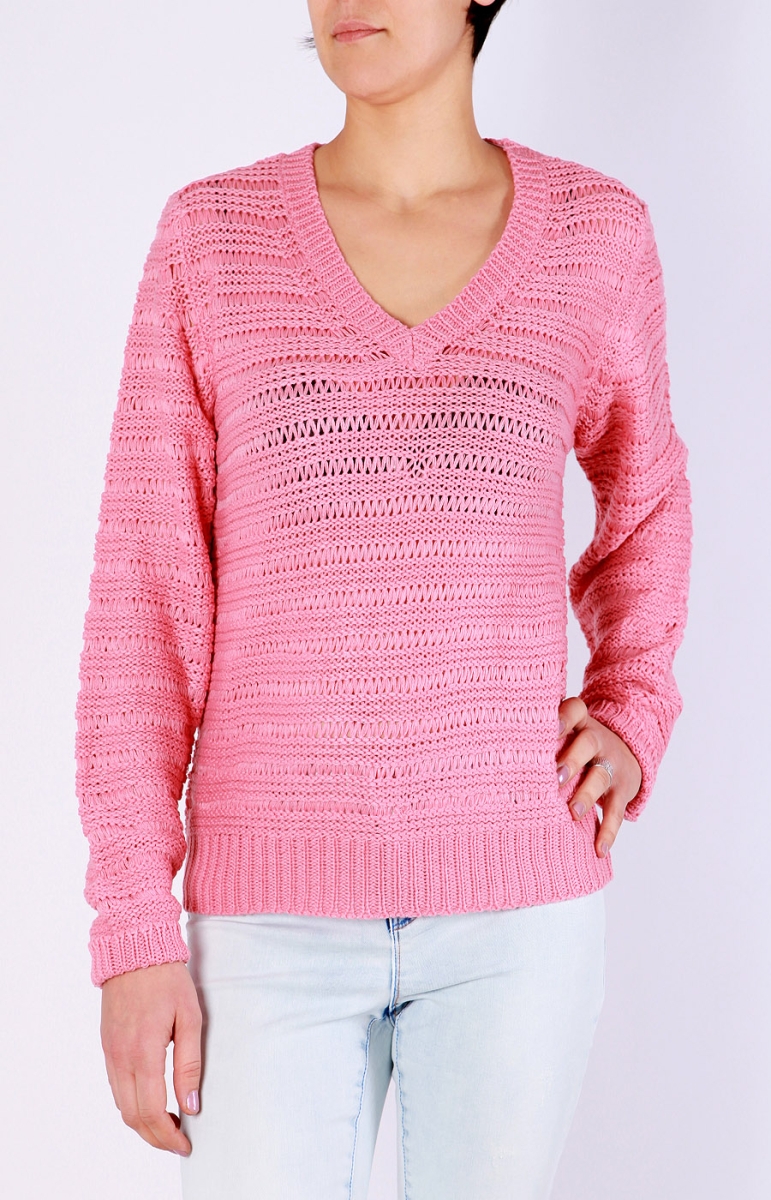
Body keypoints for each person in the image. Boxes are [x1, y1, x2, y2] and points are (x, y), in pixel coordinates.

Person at [75, 1, 692, 1196]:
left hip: (518, 910)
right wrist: (132, 924)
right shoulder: (213, 240)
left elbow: (648, 495)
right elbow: (144, 598)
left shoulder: (596, 234)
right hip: (265, 924)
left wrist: (634, 706)